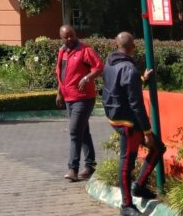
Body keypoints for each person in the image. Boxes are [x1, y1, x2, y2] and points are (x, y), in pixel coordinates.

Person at [102, 32, 165, 216]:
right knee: (126, 164)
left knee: (158, 148)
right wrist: (146, 131)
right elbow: (136, 104)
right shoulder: (129, 69)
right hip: (129, 123)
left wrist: (142, 80)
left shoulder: (110, 63)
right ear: (134, 47)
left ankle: (138, 186)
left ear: (116, 45)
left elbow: (119, 85)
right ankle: (126, 205)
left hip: (115, 116)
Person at [55, 25, 104, 182]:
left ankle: (73, 169)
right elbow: (61, 73)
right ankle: (90, 166)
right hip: (69, 97)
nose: (69, 38)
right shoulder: (62, 52)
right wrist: (59, 93)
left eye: (72, 35)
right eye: (66, 37)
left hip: (84, 98)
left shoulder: (85, 50)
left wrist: (87, 78)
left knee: (75, 131)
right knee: (83, 131)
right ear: (61, 38)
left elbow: (99, 67)